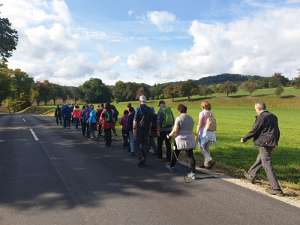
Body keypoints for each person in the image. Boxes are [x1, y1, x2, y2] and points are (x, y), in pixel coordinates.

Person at [241, 102, 283, 196]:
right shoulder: (273, 116)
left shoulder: (262, 117)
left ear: (257, 108)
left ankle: (276, 189)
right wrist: (276, 142)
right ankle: (251, 175)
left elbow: (255, 129)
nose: (255, 110)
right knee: (260, 159)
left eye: (255, 109)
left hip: (265, 142)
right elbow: (277, 130)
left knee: (266, 163)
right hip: (271, 141)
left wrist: (245, 138)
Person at [166, 104, 196, 180]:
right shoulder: (190, 118)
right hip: (189, 138)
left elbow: (175, 130)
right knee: (190, 156)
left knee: (175, 152)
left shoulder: (178, 118)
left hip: (180, 139)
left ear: (179, 110)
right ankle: (193, 173)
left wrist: (169, 135)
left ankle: (172, 166)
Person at [196, 101, 216, 169]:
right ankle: (206, 164)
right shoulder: (212, 113)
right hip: (211, 132)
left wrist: (196, 133)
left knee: (201, 148)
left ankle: (210, 159)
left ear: (203, 106)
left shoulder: (202, 113)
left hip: (204, 133)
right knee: (207, 148)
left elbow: (200, 124)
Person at [133, 95, 153, 167]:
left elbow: (135, 121)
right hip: (146, 130)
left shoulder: (138, 109)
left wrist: (134, 130)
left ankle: (140, 157)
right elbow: (151, 122)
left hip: (139, 131)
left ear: (140, 101)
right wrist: (150, 130)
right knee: (144, 146)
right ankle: (144, 160)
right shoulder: (150, 109)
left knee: (136, 145)